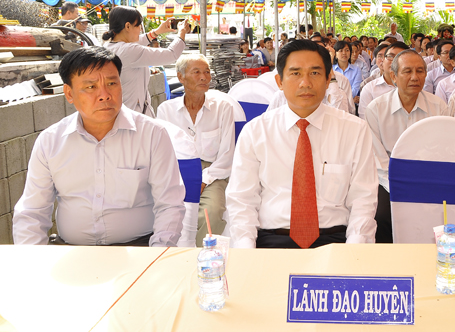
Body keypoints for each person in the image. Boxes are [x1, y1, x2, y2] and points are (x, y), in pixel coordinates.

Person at [13, 47, 185, 246]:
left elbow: (170, 204)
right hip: (72, 251)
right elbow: (32, 212)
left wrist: (156, 255)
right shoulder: (50, 141)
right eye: (91, 87)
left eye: (112, 83)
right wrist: (33, 259)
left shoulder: (152, 135)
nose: (104, 95)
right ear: (69, 93)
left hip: (139, 248)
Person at [225, 40, 378, 248]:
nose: (305, 83)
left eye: (314, 73)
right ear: (279, 81)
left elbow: (363, 199)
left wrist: (353, 253)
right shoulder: (256, 132)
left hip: (336, 240)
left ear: (328, 79)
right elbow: (242, 201)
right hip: (272, 240)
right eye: (295, 73)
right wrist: (247, 251)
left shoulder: (354, 130)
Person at [365, 50, 449, 243]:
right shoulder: (376, 109)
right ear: (393, 76)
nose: (414, 77)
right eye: (407, 71)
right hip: (388, 178)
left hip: (429, 176)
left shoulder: (439, 107)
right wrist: (399, 187)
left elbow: (444, 151)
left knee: (442, 213)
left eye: (420, 71)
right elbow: (378, 159)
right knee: (381, 216)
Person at [157, 54, 236, 246]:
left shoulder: (223, 108)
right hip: (176, 172)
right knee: (170, 215)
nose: (204, 77)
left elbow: (227, 154)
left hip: (213, 172)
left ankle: (201, 256)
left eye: (207, 72)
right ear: (181, 77)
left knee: (213, 213)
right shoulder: (166, 110)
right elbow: (161, 152)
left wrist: (203, 179)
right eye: (197, 72)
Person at [103, 6, 188, 117]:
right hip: (133, 115)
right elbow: (171, 54)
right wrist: (182, 33)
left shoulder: (109, 46)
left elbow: (138, 41)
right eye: (138, 25)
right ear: (128, 26)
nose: (140, 30)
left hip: (123, 112)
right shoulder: (129, 50)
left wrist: (157, 32)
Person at [358, 42, 407, 119]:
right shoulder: (369, 89)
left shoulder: (415, 87)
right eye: (391, 57)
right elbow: (365, 120)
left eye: (400, 57)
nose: (394, 61)